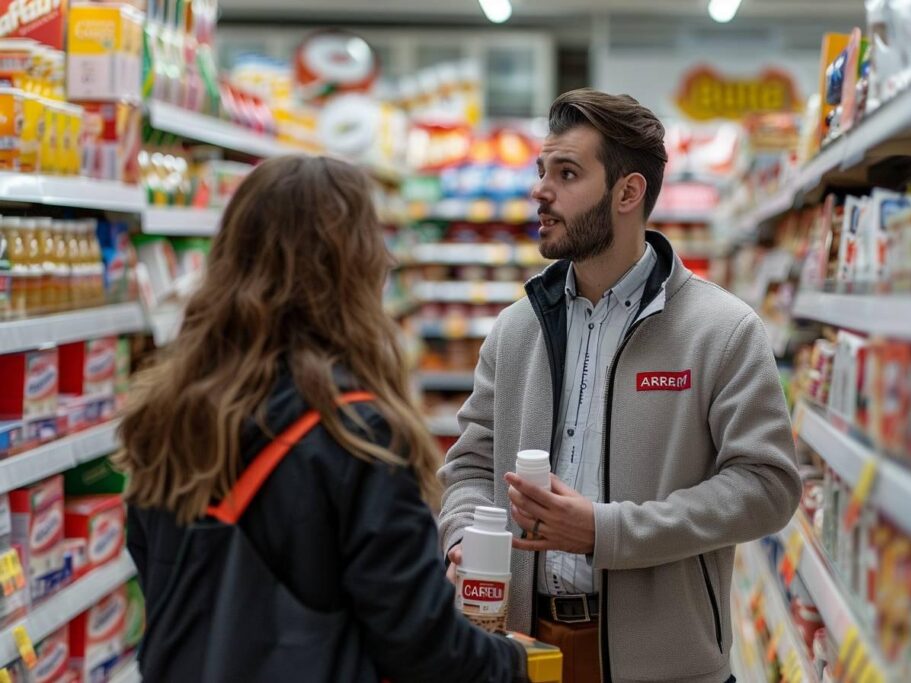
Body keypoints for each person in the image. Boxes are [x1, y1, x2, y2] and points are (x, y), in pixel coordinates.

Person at [117, 155, 528, 682]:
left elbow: (162, 579)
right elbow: (417, 642)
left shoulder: (168, 413)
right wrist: (513, 662)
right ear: (352, 269)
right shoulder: (355, 434)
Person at [438, 89, 802, 683]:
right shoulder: (517, 330)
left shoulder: (723, 330)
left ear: (628, 192)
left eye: (568, 173)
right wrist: (465, 536)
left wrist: (606, 532)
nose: (541, 191)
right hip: (524, 652)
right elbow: (471, 466)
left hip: (666, 664)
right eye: (542, 171)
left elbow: (767, 486)